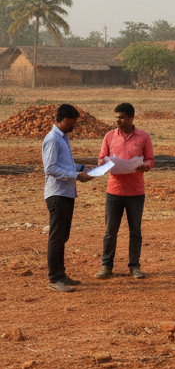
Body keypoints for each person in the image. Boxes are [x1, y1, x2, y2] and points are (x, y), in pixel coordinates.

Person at [95, 103, 154, 280]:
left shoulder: (144, 136)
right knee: (110, 231)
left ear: (131, 118)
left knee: (135, 231)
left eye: (121, 117)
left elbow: (150, 159)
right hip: (114, 191)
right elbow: (100, 159)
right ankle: (106, 266)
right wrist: (105, 163)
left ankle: (134, 266)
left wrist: (145, 166)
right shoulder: (109, 136)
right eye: (117, 117)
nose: (118, 121)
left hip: (136, 192)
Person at [42, 104, 94, 292]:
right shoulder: (53, 139)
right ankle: (55, 278)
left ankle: (61, 274)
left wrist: (82, 169)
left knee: (62, 236)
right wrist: (76, 175)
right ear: (64, 120)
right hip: (57, 194)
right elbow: (50, 168)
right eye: (73, 121)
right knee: (57, 237)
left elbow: (63, 164)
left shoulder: (62, 138)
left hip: (65, 192)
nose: (74, 125)